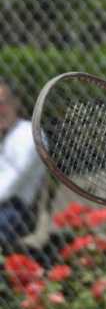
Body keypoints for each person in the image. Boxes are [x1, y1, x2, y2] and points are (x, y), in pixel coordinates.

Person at [0, 80, 45, 250]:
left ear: (15, 103)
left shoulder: (28, 134)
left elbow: (11, 183)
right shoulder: (5, 135)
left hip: (13, 209)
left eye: (1, 103)